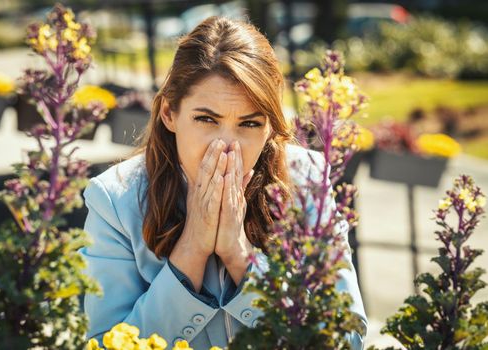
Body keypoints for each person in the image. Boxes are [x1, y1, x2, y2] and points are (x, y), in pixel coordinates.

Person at [79, 16, 367, 349]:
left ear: (271, 127)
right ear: (170, 113)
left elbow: (349, 339)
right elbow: (103, 344)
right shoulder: (114, 200)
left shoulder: (308, 180)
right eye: (206, 119)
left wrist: (241, 256)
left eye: (249, 124)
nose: (227, 145)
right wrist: (191, 249)